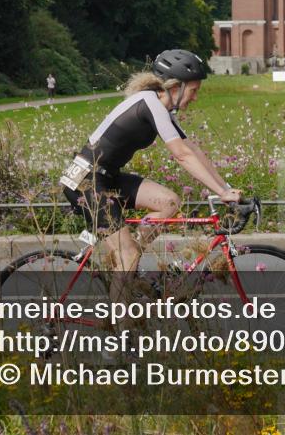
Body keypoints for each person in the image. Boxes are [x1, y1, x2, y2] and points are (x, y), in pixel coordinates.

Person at [60, 49, 241, 325]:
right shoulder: (149, 103)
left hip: (107, 177)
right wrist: (221, 193)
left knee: (169, 202)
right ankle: (121, 337)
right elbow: (181, 155)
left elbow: (193, 150)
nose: (195, 97)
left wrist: (225, 188)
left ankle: (126, 267)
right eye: (194, 90)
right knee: (127, 254)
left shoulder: (162, 109)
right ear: (176, 87)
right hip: (84, 180)